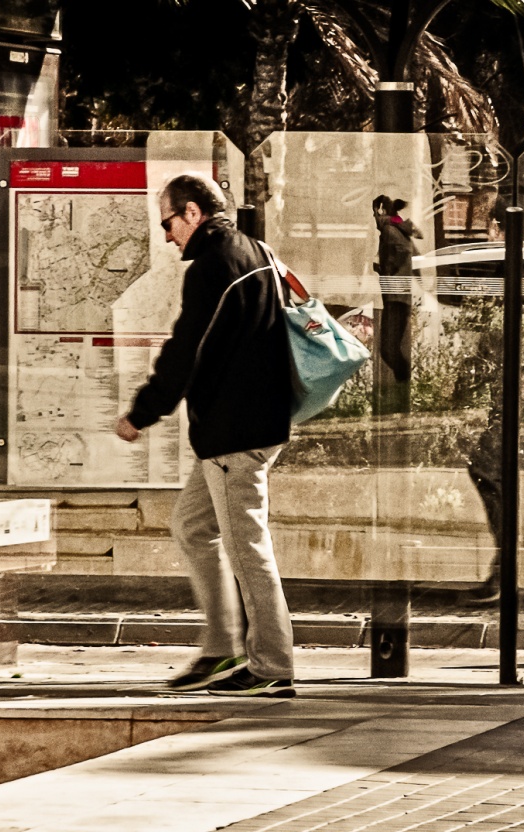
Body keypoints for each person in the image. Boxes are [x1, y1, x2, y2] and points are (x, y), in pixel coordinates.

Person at [115, 172, 297, 698]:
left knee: (248, 549)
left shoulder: (215, 265)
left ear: (193, 213)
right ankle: (222, 649)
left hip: (235, 433)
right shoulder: (254, 250)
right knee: (194, 528)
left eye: (168, 222)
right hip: (246, 426)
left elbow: (185, 349)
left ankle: (271, 666)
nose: (167, 235)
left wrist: (143, 413)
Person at [372, 195, 416, 407]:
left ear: (380, 212)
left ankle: (404, 391)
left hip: (395, 297)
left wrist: (384, 271)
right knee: (391, 348)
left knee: (389, 349)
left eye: (375, 213)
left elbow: (400, 257)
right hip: (399, 297)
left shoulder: (389, 231)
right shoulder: (398, 230)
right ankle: (404, 390)